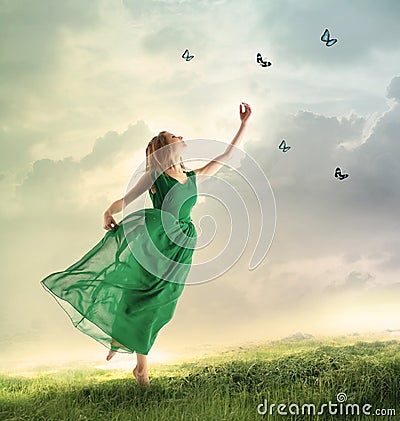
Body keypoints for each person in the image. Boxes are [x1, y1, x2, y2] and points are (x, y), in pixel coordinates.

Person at [40, 102, 252, 387]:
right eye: (174, 136)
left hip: (181, 245)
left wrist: (243, 124)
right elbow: (126, 200)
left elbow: (226, 155)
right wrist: (107, 211)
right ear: (165, 147)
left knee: (162, 302)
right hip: (156, 240)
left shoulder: (192, 176)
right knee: (142, 294)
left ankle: (126, 342)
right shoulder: (155, 176)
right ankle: (140, 366)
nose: (180, 137)